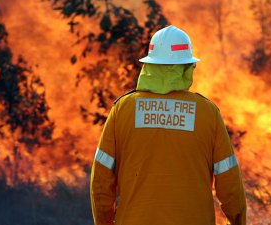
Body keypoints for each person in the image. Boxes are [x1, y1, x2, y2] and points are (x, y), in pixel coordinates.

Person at [90, 25, 246, 225]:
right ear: (187, 68)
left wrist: (104, 222)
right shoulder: (207, 113)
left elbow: (101, 181)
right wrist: (238, 221)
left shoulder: (122, 110)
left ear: (148, 66)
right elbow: (229, 184)